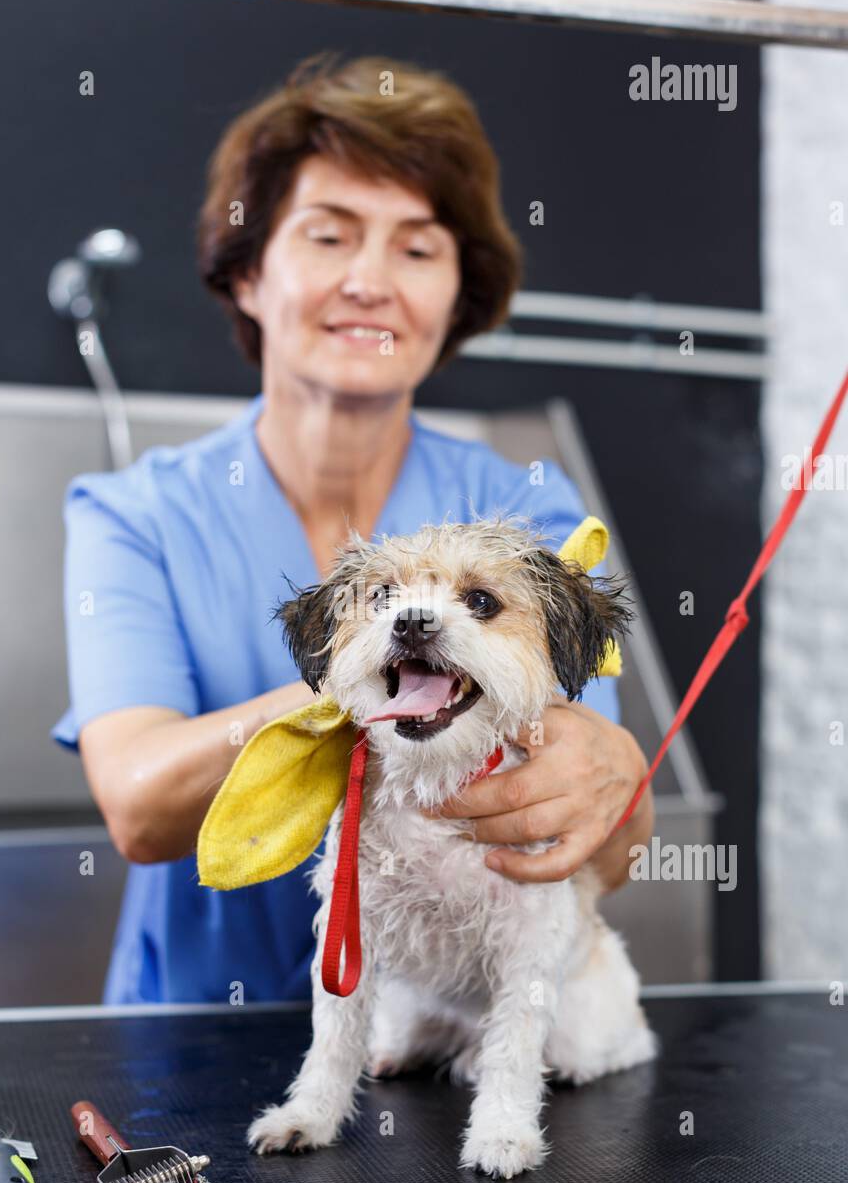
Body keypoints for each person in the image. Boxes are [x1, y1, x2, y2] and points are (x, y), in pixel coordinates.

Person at [51, 52, 654, 1005]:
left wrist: (619, 780)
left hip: (437, 1041)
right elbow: (139, 803)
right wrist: (368, 689)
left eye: (417, 250)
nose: (371, 281)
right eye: (329, 237)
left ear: (456, 297)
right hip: (197, 1031)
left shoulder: (530, 508)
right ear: (247, 274)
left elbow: (590, 827)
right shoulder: (135, 515)